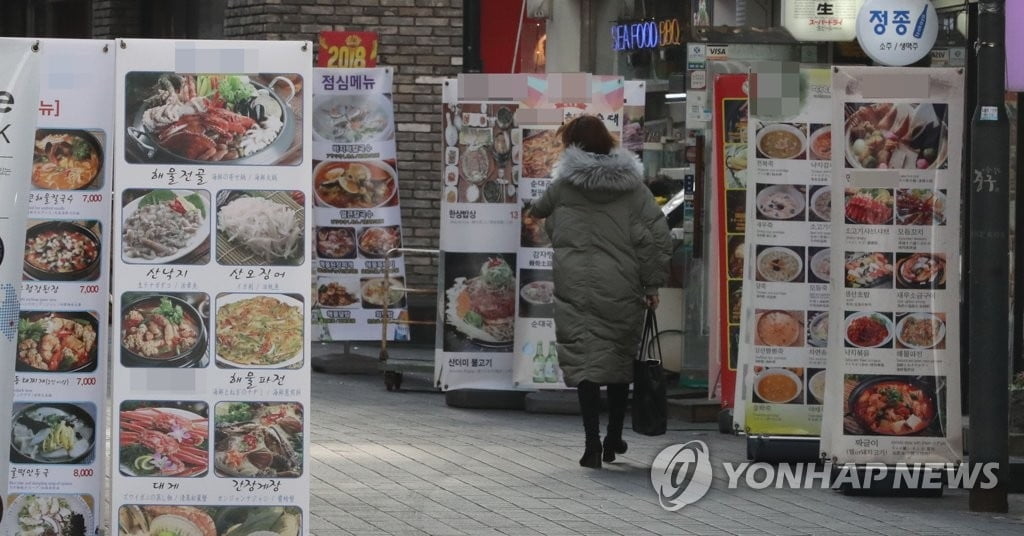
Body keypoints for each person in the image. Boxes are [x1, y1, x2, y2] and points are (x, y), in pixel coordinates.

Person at [530, 115, 672, 469]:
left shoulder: (563, 186)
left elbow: (537, 210)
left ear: (572, 146)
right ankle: (613, 438)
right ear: (608, 143)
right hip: (622, 285)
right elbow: (657, 237)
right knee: (619, 361)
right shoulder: (633, 188)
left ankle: (591, 443)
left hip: (575, 286)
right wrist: (651, 284)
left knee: (586, 363)